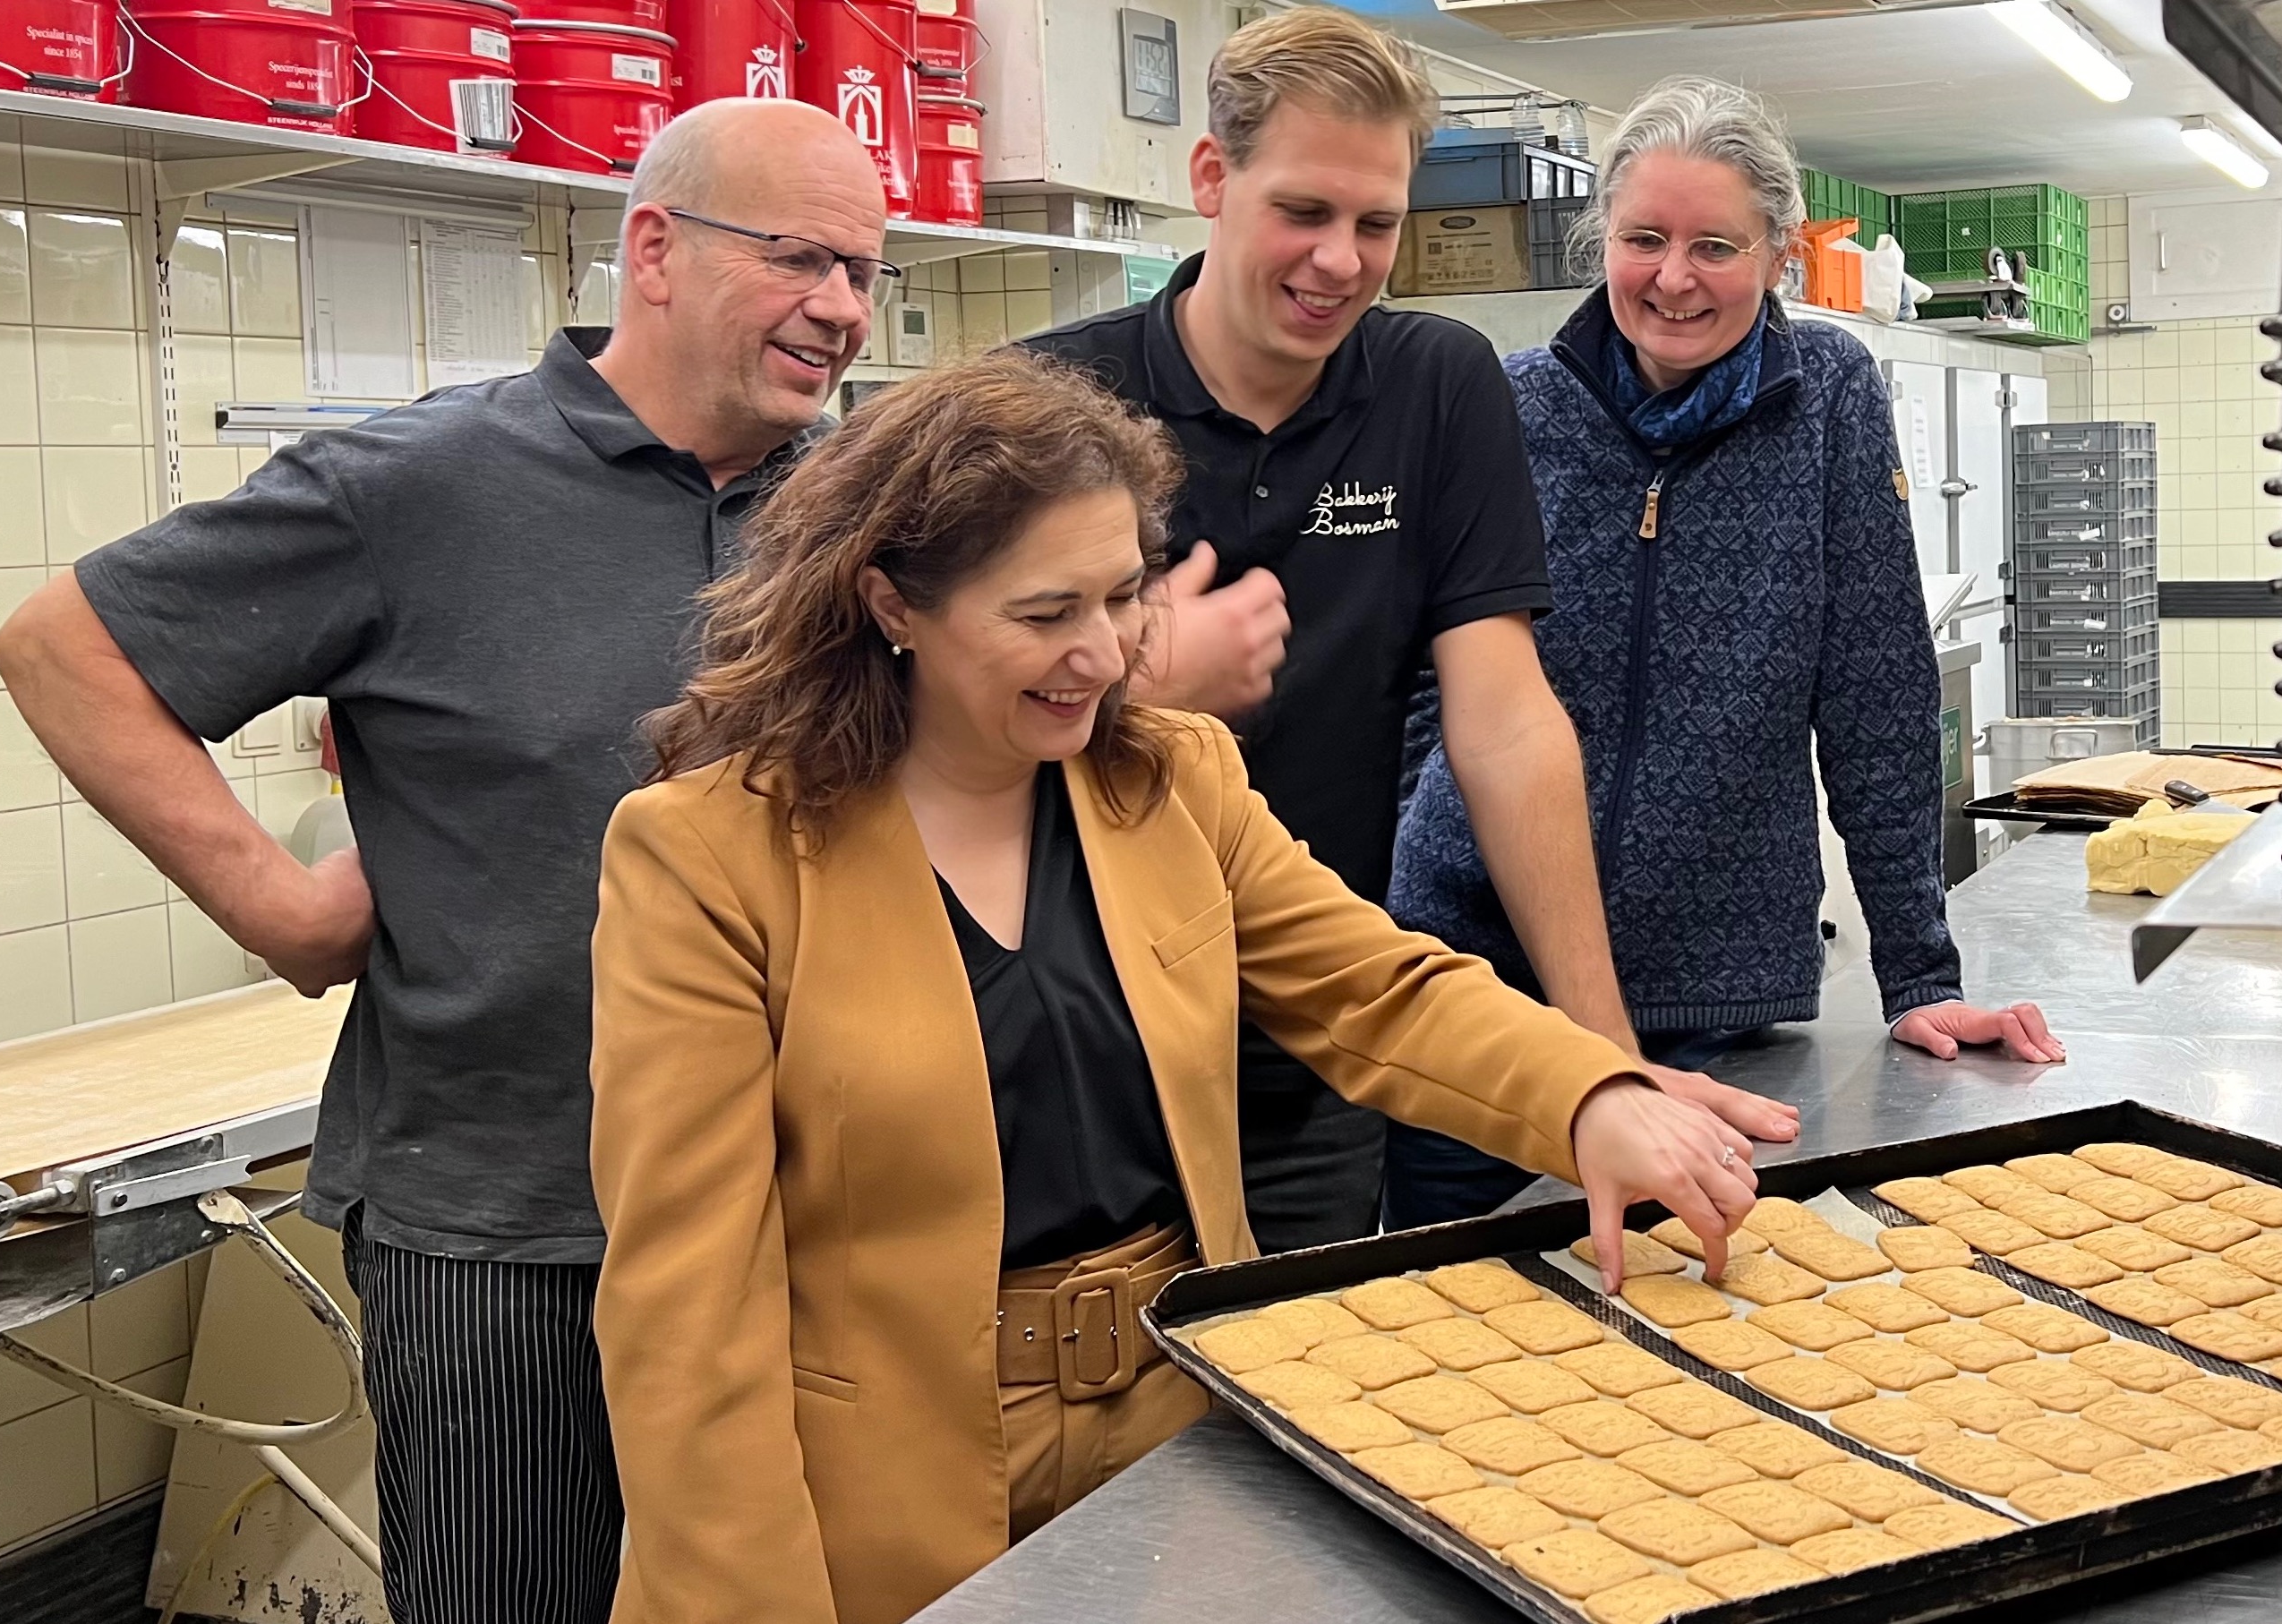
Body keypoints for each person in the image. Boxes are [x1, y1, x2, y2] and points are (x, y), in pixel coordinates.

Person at [585, 350, 1758, 1624]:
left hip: (1184, 1421)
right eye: (1043, 615)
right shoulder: (711, 855)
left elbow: (1380, 992)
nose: (1100, 655)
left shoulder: (1171, 783)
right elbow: (687, 1318)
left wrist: (1591, 1095)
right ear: (890, 603)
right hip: (880, 1494)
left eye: (1123, 595)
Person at [0, 100, 890, 1624]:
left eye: (865, 269)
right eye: (801, 257)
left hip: (806, 1212)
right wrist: (279, 906)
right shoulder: (424, 483)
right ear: (656, 252)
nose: (844, 307)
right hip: (508, 1228)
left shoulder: (854, 506)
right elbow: (63, 647)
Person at [1023, 8, 1795, 1251]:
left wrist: (1603, 1060)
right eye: (1304, 212)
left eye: (1375, 224)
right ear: (1212, 181)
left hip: (1324, 1034)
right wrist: (1128, 671)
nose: (1340, 260)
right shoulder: (1046, 405)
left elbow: (1504, 724)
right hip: (1074, 1052)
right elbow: (914, 717)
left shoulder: (1437, 385)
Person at [1387, 77, 2064, 1225]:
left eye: (1716, 245)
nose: (1674, 277)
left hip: (1707, 982)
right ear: (1603, 238)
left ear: (1778, 255)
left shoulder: (1829, 400)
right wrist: (1408, 887)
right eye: (1644, 238)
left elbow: (1876, 689)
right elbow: (1425, 685)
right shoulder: (1509, 404)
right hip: (1479, 982)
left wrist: (1919, 975)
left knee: (1678, 1325)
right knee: (1453, 1306)